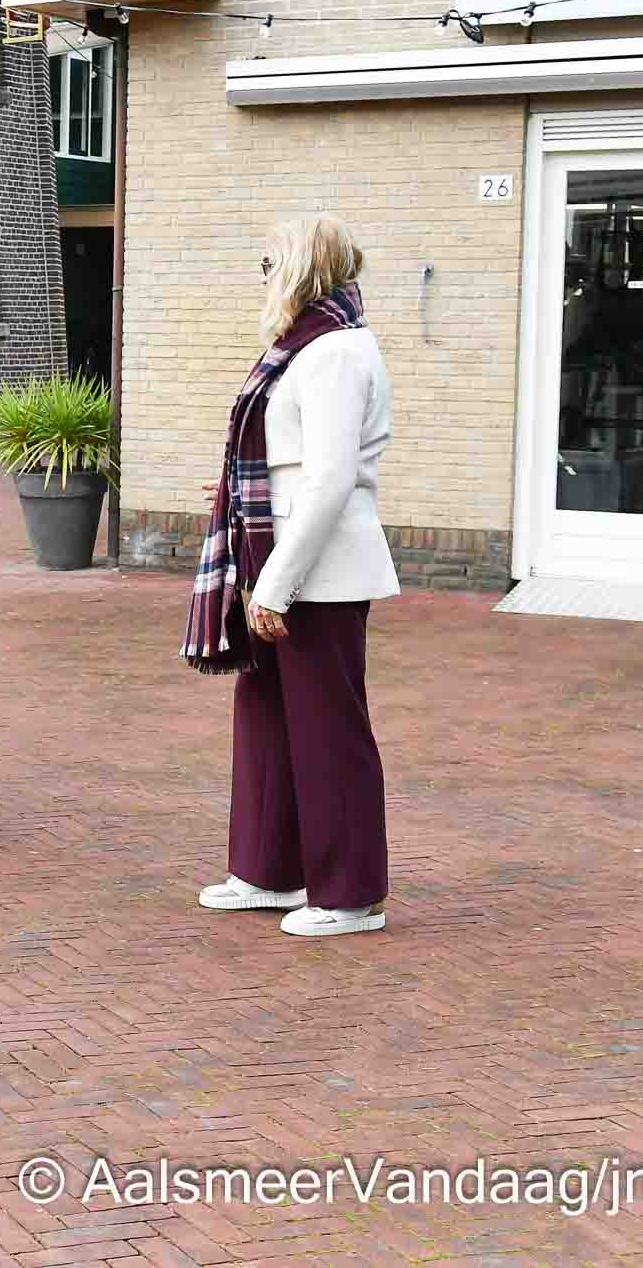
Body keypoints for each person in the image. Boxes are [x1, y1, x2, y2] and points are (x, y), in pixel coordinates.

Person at [184, 214, 398, 937]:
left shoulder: (334, 351)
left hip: (318, 572)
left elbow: (332, 478)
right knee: (267, 717)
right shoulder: (300, 349)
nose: (263, 275)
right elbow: (282, 466)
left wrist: (276, 584)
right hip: (277, 557)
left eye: (269, 261)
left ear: (303, 269)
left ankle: (348, 894)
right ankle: (269, 871)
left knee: (327, 727)